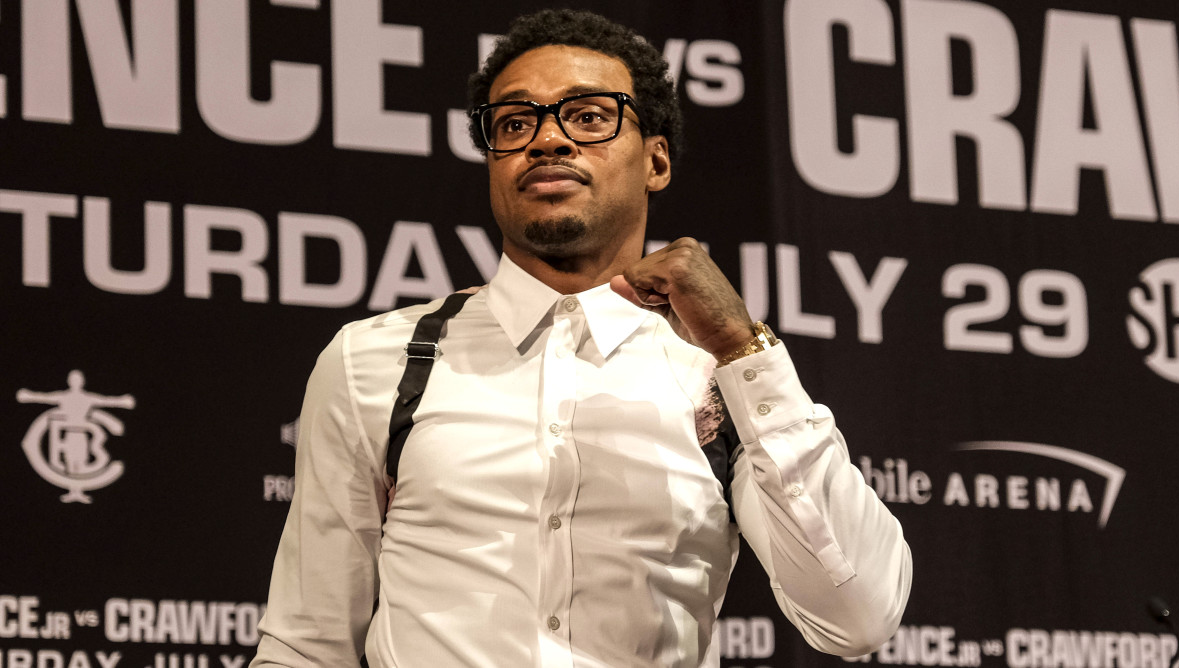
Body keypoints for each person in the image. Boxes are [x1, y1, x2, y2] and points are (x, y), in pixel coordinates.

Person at [251, 9, 910, 667]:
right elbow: (308, 643)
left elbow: (858, 618)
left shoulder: (717, 376)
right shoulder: (379, 359)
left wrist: (743, 349)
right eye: (515, 123)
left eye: (589, 117)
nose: (547, 141)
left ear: (655, 161)